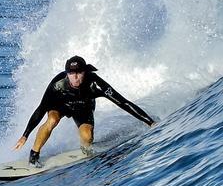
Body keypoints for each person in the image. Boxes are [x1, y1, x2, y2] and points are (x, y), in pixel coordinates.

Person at [14, 55, 155, 167]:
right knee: (52, 120)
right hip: (60, 106)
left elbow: (123, 102)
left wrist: (150, 122)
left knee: (87, 136)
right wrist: (25, 135)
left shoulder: (95, 84)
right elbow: (41, 109)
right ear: (66, 73)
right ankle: (34, 154)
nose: (75, 77)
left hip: (83, 107)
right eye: (71, 73)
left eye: (79, 73)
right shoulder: (57, 85)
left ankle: (85, 150)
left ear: (85, 72)